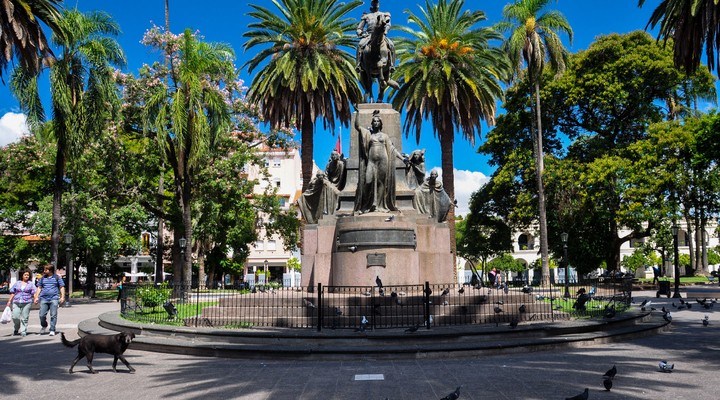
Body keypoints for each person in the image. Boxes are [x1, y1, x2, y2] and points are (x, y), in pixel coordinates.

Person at [354, 110, 407, 213]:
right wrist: (357, 113)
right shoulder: (368, 134)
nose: (376, 123)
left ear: (380, 123)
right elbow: (357, 127)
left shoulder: (385, 136)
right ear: (372, 123)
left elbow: (392, 149)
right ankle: (366, 205)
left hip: (383, 160)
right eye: (374, 121)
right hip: (371, 161)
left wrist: (403, 158)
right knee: (368, 181)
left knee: (381, 182)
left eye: (378, 121)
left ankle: (378, 205)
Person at [355, 0, 396, 74]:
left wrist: (386, 31)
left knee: (391, 45)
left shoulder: (384, 14)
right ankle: (358, 64)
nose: (376, 4)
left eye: (377, 2)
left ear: (378, 4)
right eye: (374, 2)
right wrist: (360, 33)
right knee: (360, 45)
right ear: (372, 4)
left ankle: (392, 65)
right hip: (369, 35)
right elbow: (359, 28)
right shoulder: (366, 16)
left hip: (381, 34)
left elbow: (388, 24)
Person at [34, 264, 65, 336]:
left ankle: (52, 329)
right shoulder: (42, 278)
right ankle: (44, 325)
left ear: (50, 270)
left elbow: (61, 287)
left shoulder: (57, 278)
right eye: (44, 269)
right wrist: (36, 297)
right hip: (44, 298)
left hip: (54, 298)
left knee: (53, 315)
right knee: (42, 315)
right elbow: (39, 287)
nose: (44, 271)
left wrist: (62, 297)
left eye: (46, 270)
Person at [6, 269, 36, 336]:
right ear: (22, 275)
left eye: (28, 275)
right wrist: (9, 301)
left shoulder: (31, 284)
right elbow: (12, 292)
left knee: (24, 317)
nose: (26, 276)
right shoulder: (17, 283)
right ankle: (16, 328)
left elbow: (34, 292)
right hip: (16, 301)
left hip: (27, 302)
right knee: (15, 317)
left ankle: (23, 331)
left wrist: (35, 298)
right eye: (25, 275)